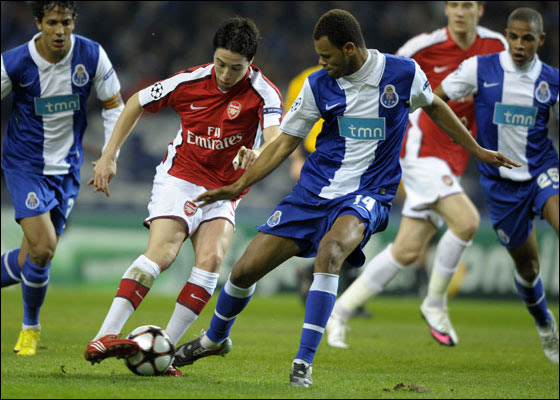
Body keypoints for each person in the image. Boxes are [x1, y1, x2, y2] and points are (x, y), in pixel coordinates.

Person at [171, 9, 520, 387]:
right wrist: (238, 185)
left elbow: (435, 105)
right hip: (313, 193)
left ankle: (303, 362)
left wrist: (476, 149)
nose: (321, 63)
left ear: (350, 49)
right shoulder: (318, 85)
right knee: (243, 272)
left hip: (369, 193)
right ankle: (214, 339)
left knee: (331, 251)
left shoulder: (402, 74)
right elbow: (284, 144)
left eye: (327, 56)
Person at [82, 17, 283, 377]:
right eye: (220, 63)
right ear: (213, 55)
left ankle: (165, 353)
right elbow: (136, 102)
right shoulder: (190, 81)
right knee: (164, 252)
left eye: (235, 68)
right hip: (181, 178)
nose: (225, 74)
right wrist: (110, 155)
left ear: (251, 63)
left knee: (210, 262)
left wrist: (257, 153)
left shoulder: (264, 93)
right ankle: (103, 336)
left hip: (225, 191)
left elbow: (275, 138)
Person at [326, 0, 507, 349]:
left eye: (467, 5)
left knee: (407, 250)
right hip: (420, 150)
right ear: (446, 10)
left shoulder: (496, 47)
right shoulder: (422, 47)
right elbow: (380, 75)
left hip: (453, 159)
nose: (460, 11)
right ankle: (435, 303)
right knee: (467, 221)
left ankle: (339, 311)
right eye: (454, 4)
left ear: (480, 10)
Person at [434, 7, 559, 363]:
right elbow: (434, 99)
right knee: (529, 269)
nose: (519, 45)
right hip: (501, 184)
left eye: (527, 39)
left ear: (540, 40)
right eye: (514, 37)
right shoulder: (480, 69)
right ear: (506, 36)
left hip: (542, 171)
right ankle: (544, 322)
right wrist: (457, 129)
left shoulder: (552, 80)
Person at [0, 1, 124, 356]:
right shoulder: (15, 62)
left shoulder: (92, 56)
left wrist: (109, 156)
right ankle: (30, 330)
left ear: (74, 22)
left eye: (66, 22)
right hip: (25, 165)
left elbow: (115, 105)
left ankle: (30, 327)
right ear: (38, 22)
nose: (59, 30)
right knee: (43, 247)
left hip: (67, 170)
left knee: (34, 257)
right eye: (52, 22)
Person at [286, 64, 371, 317]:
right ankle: (344, 293)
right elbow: (290, 123)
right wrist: (296, 159)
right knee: (338, 227)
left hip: (350, 159)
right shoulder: (303, 79)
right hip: (316, 158)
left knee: (352, 227)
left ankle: (313, 274)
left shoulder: (356, 76)